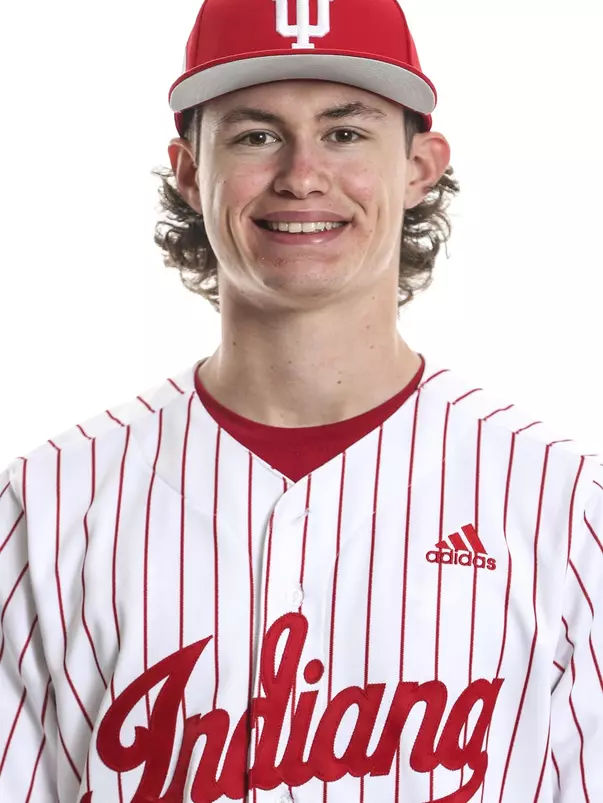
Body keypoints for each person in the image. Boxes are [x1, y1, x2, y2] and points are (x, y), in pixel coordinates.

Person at [1, 0, 601, 800]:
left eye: (344, 132)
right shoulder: (46, 504)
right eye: (255, 134)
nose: (301, 174)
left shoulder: (561, 509)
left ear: (419, 167)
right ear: (187, 170)